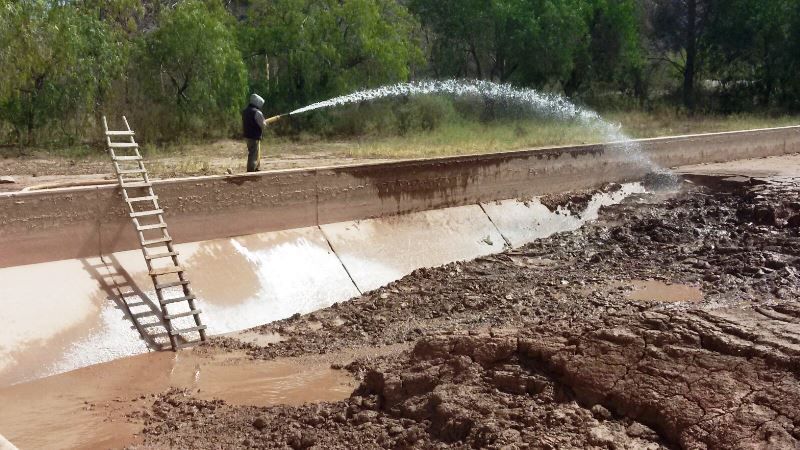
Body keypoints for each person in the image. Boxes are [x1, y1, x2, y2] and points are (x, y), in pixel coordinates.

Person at [241, 93, 281, 172]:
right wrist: (266, 123)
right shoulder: (257, 112)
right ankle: (251, 170)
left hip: (247, 135)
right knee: (253, 153)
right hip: (254, 136)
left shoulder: (245, 111)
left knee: (255, 151)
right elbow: (263, 125)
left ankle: (256, 167)